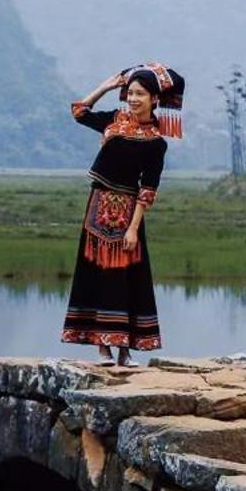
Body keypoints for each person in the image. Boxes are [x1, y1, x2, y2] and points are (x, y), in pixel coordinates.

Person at [61, 63, 184, 367]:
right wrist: (105, 86)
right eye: (130, 93)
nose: (133, 99)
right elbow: (78, 111)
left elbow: (148, 189)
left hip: (128, 213)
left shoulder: (157, 142)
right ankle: (102, 348)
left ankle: (125, 349)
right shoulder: (114, 121)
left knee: (126, 278)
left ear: (154, 99)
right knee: (97, 275)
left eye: (140, 94)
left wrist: (133, 228)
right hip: (98, 208)